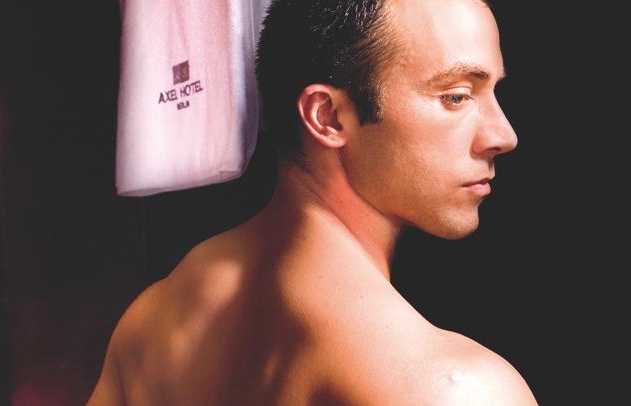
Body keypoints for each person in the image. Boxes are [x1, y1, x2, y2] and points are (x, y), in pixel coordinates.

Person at [89, 0, 537, 404]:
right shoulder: (453, 390)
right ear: (327, 116)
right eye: (456, 97)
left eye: (493, 92)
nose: (503, 135)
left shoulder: (151, 321)